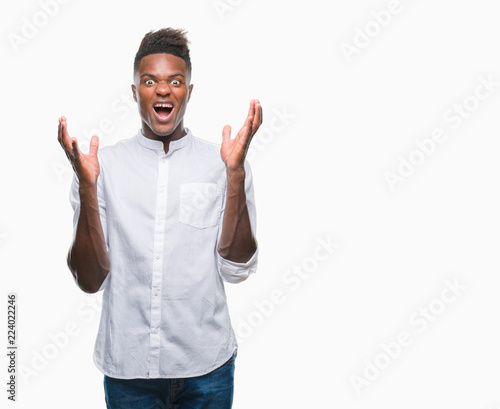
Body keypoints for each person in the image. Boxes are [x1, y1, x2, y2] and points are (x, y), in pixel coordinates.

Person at [57, 27, 262, 409]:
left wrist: (235, 174)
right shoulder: (103, 169)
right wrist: (87, 187)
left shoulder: (222, 163)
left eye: (176, 81)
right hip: (128, 372)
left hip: (208, 370)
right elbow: (89, 279)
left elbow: (237, 268)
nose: (163, 90)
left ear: (188, 91)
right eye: (150, 81)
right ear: (136, 92)